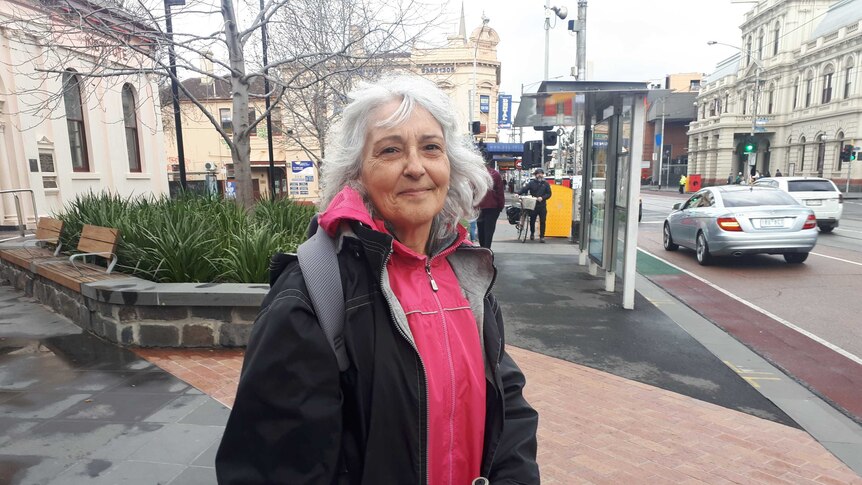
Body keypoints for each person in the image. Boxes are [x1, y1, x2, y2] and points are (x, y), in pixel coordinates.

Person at [216, 75, 540, 485]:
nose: (416, 167)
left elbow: (508, 404)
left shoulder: (466, 274)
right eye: (390, 150)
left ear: (451, 166)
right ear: (357, 173)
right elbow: (273, 466)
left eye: (431, 148)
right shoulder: (314, 293)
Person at [476, 151, 505, 249]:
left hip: (479, 206)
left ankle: (482, 248)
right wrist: (500, 206)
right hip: (492, 207)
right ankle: (487, 249)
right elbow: (500, 192)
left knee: (480, 228)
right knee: (489, 230)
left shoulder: (476, 174)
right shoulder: (495, 174)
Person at [519, 167, 552, 242]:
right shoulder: (531, 183)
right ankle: (532, 233)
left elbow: (549, 193)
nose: (539, 175)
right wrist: (518, 193)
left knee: (543, 221)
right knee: (532, 220)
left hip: (542, 205)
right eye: (538, 174)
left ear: (543, 175)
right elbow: (524, 189)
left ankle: (542, 236)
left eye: (541, 174)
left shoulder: (546, 184)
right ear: (535, 175)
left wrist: (543, 198)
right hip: (533, 204)